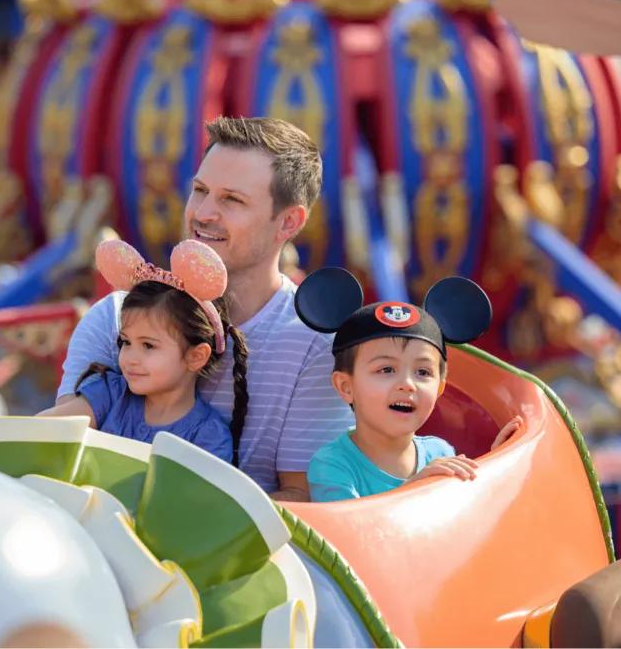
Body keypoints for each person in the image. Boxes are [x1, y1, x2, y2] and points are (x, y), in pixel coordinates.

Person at [41, 116, 354, 499]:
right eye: (200, 190)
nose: (203, 213)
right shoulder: (115, 317)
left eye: (232, 200)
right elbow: (58, 451)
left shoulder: (314, 346)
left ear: (288, 222)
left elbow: (303, 500)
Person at [294, 267, 521, 502]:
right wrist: (415, 487)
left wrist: (496, 464)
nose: (407, 384)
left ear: (440, 388)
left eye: (423, 372)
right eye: (386, 370)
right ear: (346, 387)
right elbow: (346, 531)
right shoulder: (332, 464)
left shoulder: (440, 452)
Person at [43, 238, 248, 463]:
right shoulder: (110, 393)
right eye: (125, 342)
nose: (129, 358)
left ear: (195, 356)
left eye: (148, 345)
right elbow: (43, 431)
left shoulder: (209, 437)